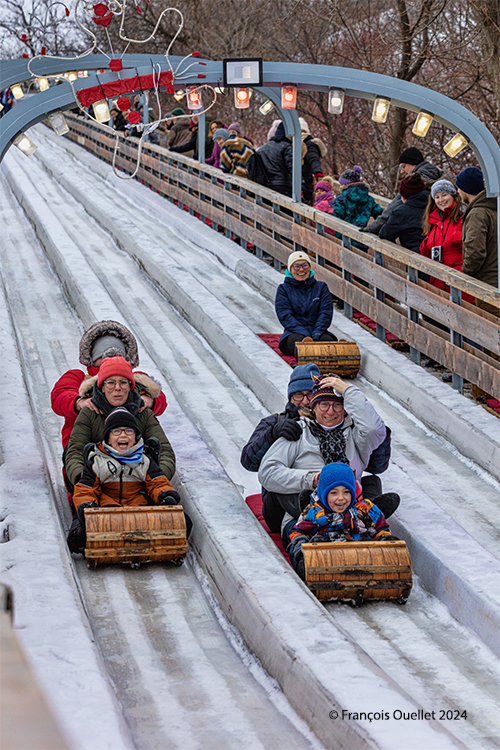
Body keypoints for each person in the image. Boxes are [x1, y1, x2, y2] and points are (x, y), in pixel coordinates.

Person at [258, 374, 396, 532]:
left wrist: (348, 391)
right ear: (314, 407)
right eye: (324, 404)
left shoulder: (356, 436)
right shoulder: (298, 431)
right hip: (303, 514)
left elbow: (374, 429)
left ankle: (362, 515)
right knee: (297, 514)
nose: (330, 412)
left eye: (337, 405)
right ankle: (363, 515)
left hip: (348, 507)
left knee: (371, 482)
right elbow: (268, 472)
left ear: (345, 409)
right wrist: (312, 479)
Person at [66, 408, 182, 554]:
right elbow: (85, 489)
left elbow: (157, 482)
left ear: (136, 437)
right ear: (108, 437)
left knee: (183, 521)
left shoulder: (144, 460)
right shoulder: (97, 461)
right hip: (107, 514)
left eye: (129, 431)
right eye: (117, 431)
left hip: (140, 513)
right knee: (76, 536)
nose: (123, 435)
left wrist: (165, 494)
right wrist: (87, 505)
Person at [51, 320, 167, 449]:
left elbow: (159, 397)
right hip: (86, 447)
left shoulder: (135, 379)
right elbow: (59, 397)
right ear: (93, 357)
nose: (109, 360)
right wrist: (78, 402)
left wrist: (149, 400)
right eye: (102, 356)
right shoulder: (78, 378)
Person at [64, 356, 175, 490]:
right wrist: (84, 479)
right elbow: (75, 450)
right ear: (102, 387)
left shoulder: (143, 412)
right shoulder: (90, 413)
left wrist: (157, 478)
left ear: (130, 386)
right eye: (111, 383)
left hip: (139, 484)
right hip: (98, 483)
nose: (117, 388)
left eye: (123, 382)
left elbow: (165, 450)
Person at [287, 463, 393, 579]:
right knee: (302, 554)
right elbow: (298, 531)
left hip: (359, 551)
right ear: (324, 494)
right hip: (327, 553)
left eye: (346, 492)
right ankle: (309, 572)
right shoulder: (316, 512)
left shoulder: (363, 509)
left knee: (374, 550)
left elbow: (379, 527)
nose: (341, 498)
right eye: (334, 493)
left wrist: (385, 538)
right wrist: (302, 543)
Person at [241, 363, 320, 474]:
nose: (305, 401)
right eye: (298, 395)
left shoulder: (328, 423)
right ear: (290, 397)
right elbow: (248, 461)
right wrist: (271, 435)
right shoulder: (274, 422)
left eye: (310, 394)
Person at [363, 147, 442, 235]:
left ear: (413, 163)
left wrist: (371, 228)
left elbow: (393, 208)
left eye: (403, 166)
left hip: (416, 234)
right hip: (436, 234)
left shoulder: (413, 184)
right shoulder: (441, 180)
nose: (402, 171)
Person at [420, 180, 475, 304]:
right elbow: (425, 251)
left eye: (444, 195)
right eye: (437, 197)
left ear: (453, 195)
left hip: (462, 285)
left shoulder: (463, 218)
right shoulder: (432, 222)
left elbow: (473, 248)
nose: (441, 200)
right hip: (439, 285)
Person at [275, 251, 336, 357]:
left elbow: (325, 313)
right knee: (301, 344)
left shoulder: (321, 287)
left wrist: (316, 334)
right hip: (294, 332)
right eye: (296, 266)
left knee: (328, 343)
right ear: (290, 269)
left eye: (305, 265)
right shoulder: (283, 289)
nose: (301, 269)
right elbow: (285, 315)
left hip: (318, 331)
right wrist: (305, 335)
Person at [456, 167, 498, 316]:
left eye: (459, 188)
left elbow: (475, 251)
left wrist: (466, 272)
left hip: (487, 285)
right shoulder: (494, 208)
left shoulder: (477, 213)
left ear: (466, 189)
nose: (458, 192)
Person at [379, 172, 429, 253]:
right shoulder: (434, 205)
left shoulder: (401, 212)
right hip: (437, 256)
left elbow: (385, 234)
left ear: (404, 195)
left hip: (415, 256)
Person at [329, 165, 383, 235]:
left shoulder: (341, 199)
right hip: (361, 238)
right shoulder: (369, 200)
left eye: (342, 184)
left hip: (343, 238)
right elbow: (381, 215)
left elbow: (336, 218)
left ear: (347, 185)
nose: (340, 187)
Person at [256, 121, 293, 197]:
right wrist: (301, 184)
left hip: (266, 185)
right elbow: (292, 167)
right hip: (284, 185)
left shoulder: (262, 149)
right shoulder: (286, 147)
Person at [299, 118, 327, 205]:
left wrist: (318, 173)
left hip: (304, 181)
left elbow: (314, 159)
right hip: (304, 181)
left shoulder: (308, 144)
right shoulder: (299, 143)